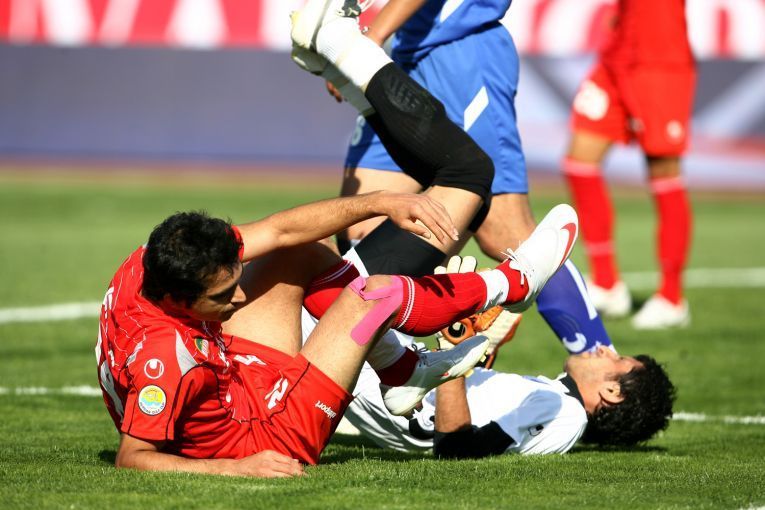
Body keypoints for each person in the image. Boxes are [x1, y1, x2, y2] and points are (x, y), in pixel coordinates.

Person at [292, 0, 616, 355]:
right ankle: (397, 359)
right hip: (405, 54)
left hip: (463, 54)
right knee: (361, 228)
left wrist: (366, 42)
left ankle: (598, 359)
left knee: (507, 232)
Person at [318, 257, 675, 456]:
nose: (603, 348)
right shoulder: (557, 400)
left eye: (618, 360)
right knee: (321, 264)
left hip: (393, 384)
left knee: (317, 262)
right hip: (392, 373)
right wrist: (475, 351)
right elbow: (481, 417)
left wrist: (453, 351)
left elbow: (458, 448)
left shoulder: (566, 414)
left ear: (613, 392)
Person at [563, 0, 696, 329]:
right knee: (579, 161)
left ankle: (672, 298)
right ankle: (607, 283)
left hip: (659, 58)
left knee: (663, 172)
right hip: (618, 52)